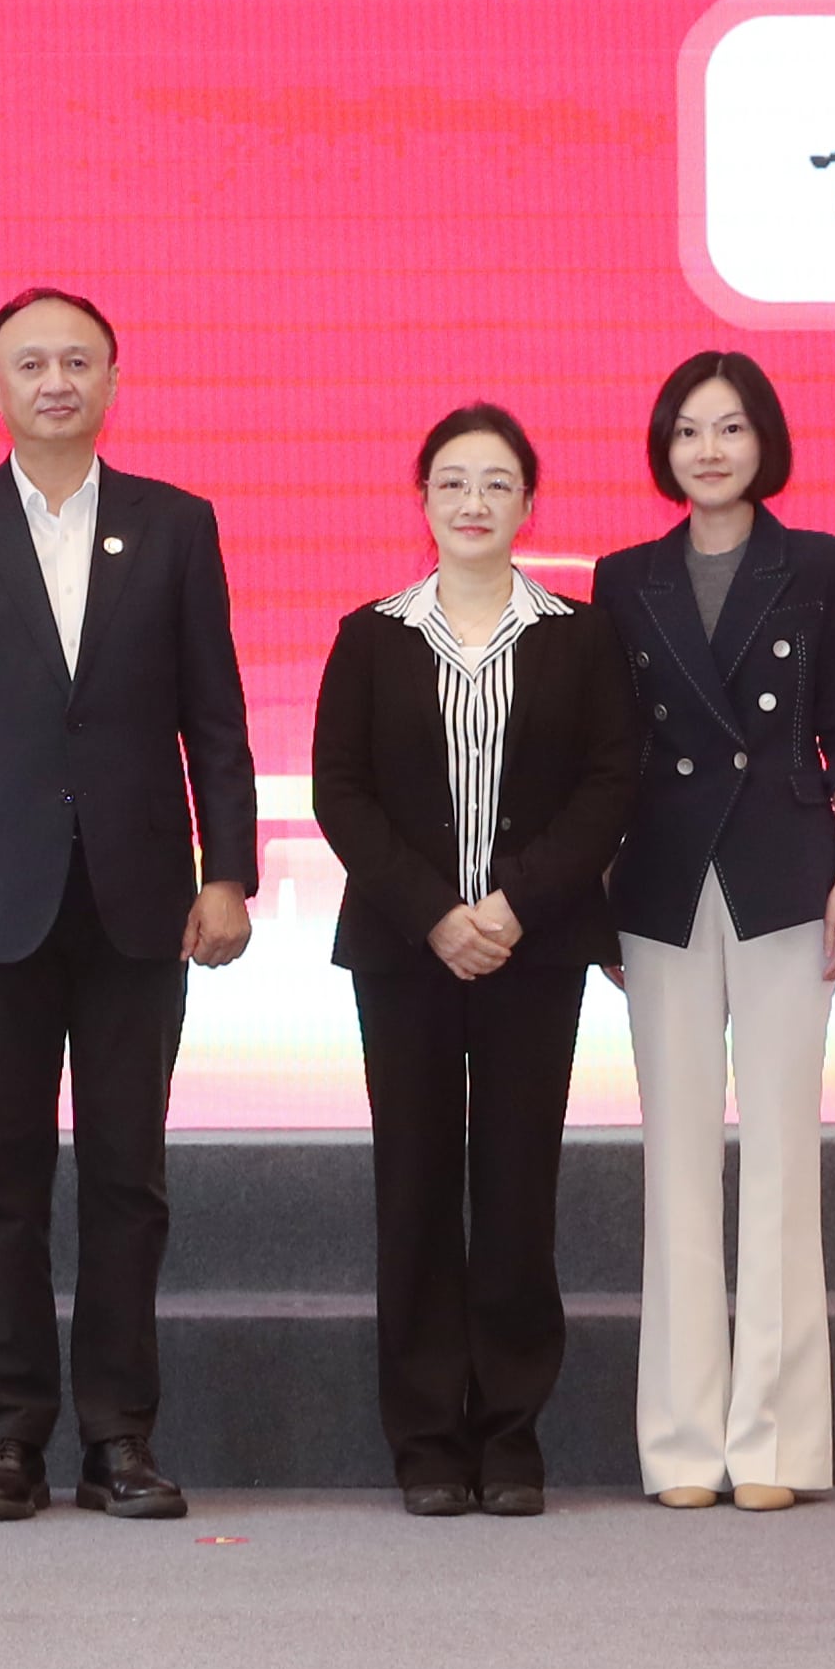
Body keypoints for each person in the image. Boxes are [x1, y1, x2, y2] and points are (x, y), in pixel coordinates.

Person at [0, 287, 258, 1523]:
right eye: (30, 362)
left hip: (142, 896)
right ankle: (10, 1438)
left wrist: (230, 870)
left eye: (77, 360)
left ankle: (119, 1436)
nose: (55, 381)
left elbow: (216, 715)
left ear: (113, 378)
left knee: (129, 1178)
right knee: (3, 1181)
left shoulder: (176, 522)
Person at [310, 405, 639, 1518]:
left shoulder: (580, 635)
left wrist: (509, 907)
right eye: (452, 481)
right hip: (405, 952)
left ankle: (509, 1437)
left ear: (529, 503)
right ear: (423, 500)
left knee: (515, 1189)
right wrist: (437, 914)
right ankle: (426, 1442)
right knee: (412, 1187)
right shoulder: (370, 635)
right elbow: (341, 791)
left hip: (532, 952)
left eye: (497, 483)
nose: (474, 502)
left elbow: (609, 784)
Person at [592, 349, 835, 1512]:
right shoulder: (624, 577)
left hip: (785, 873)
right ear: (663, 449)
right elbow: (609, 748)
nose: (707, 450)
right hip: (660, 879)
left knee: (781, 1157)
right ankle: (679, 1444)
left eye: (730, 427)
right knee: (675, 1159)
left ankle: (772, 1444)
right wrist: (595, 892)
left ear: (767, 440)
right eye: (686, 430)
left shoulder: (820, 565)